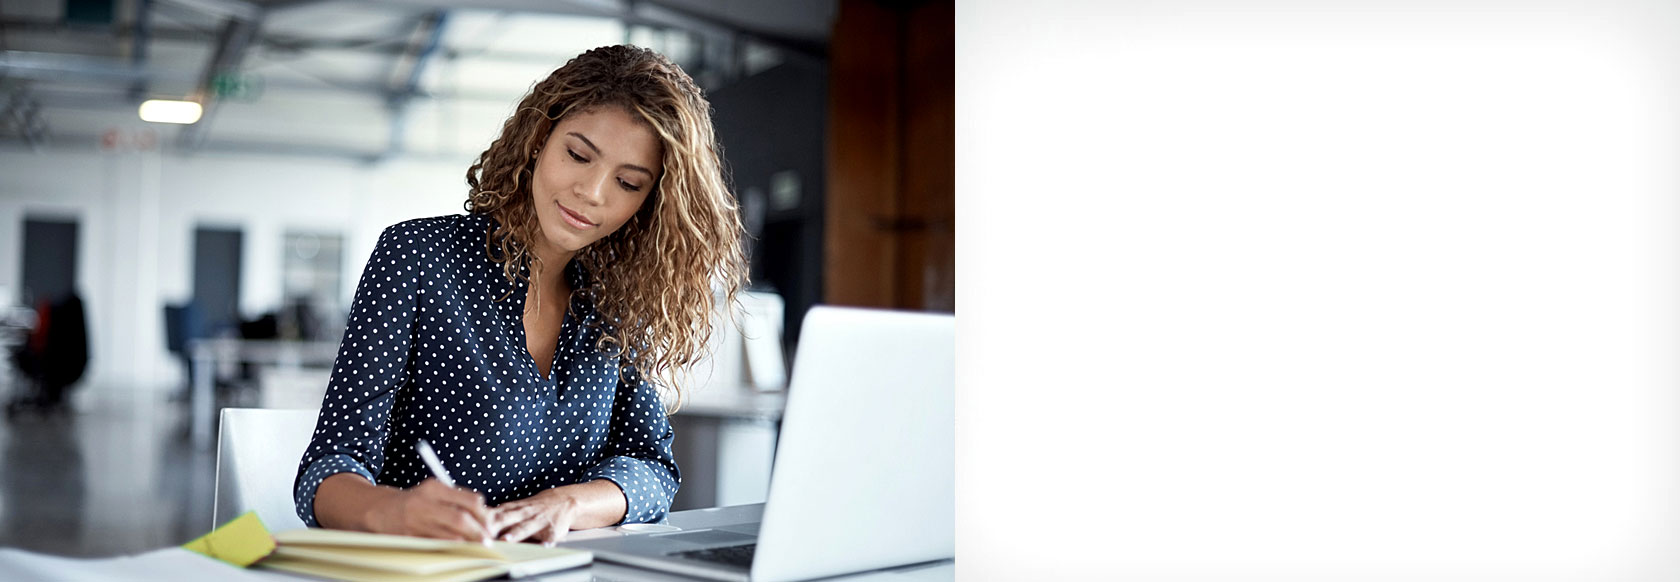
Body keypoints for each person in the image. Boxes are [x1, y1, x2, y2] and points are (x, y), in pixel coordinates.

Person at [293, 45, 747, 544]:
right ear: (537, 140)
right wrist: (391, 512)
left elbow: (653, 468)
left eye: (628, 182)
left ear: (648, 203)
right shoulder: (418, 257)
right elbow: (327, 467)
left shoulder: (615, 302)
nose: (593, 192)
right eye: (578, 155)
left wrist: (570, 503)